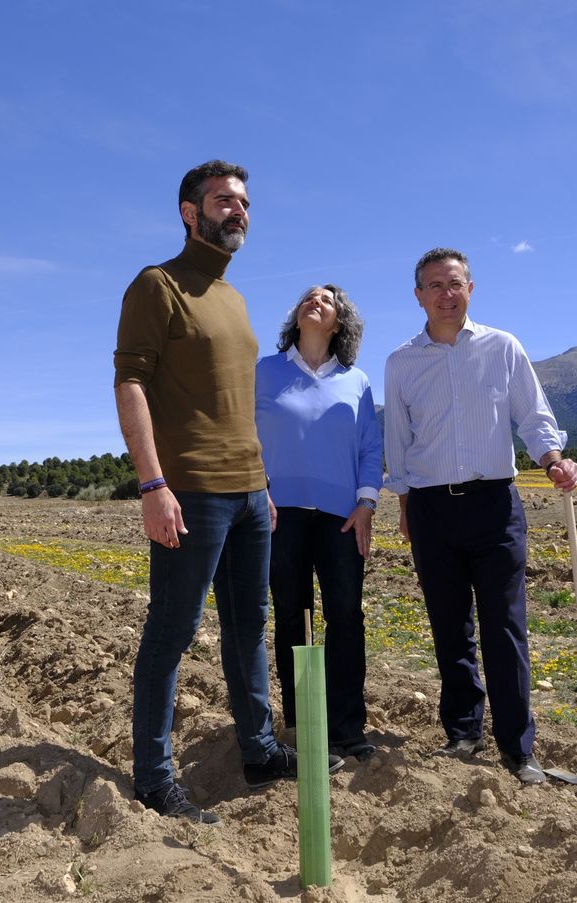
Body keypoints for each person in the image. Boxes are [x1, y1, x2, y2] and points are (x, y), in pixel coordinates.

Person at [113, 160, 300, 825]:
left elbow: (234, 402)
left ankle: (258, 748)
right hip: (188, 491)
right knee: (172, 630)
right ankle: (154, 780)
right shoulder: (156, 285)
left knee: (250, 625)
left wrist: (263, 483)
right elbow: (130, 384)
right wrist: (153, 482)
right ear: (190, 212)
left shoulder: (237, 299)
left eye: (244, 201)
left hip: (249, 490)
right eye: (224, 199)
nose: (238, 209)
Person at [382, 247, 577, 786]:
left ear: (471, 288)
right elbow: (398, 445)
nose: (446, 294)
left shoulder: (503, 347)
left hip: (496, 505)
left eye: (454, 283)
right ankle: (463, 731)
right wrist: (404, 507)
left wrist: (554, 459)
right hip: (430, 508)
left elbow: (534, 416)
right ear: (418, 296)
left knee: (505, 627)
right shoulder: (401, 362)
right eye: (434, 286)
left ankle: (519, 749)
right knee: (450, 628)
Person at [254, 284, 382, 762]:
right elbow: (244, 435)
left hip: (342, 517)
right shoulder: (264, 373)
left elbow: (371, 446)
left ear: (340, 321)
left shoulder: (357, 380)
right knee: (291, 616)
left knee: (346, 615)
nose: (316, 301)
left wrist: (367, 502)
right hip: (277, 514)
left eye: (327, 300)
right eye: (309, 297)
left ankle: (348, 727)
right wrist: (258, 492)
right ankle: (305, 724)